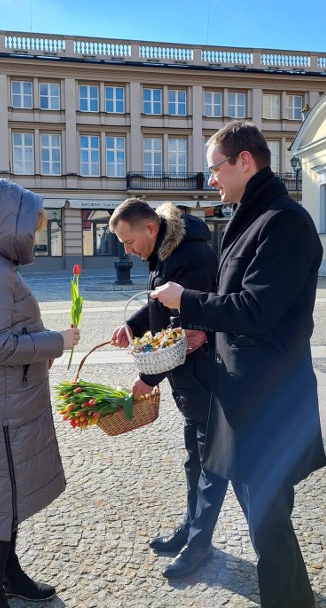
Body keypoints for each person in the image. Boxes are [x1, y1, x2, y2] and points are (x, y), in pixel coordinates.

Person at [150, 120, 326, 608]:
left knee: (269, 529)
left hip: (270, 403)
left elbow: (257, 310)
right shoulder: (252, 217)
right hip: (246, 398)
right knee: (268, 527)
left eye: (215, 169)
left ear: (243, 161)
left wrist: (186, 299)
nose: (211, 179)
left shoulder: (283, 221)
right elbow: (241, 306)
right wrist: (207, 326)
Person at [0, 177, 81, 608]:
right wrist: (56, 342)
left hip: (3, 399)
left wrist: (39, 343)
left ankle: (11, 576)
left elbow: (4, 333)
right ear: (9, 222)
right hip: (1, 406)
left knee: (6, 496)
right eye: (31, 225)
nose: (34, 235)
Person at [108, 198, 228, 579]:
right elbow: (160, 305)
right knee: (194, 459)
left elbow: (184, 333)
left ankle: (200, 544)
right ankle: (190, 530)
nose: (126, 251)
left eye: (128, 242)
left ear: (149, 227)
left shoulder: (188, 257)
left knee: (211, 463)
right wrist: (132, 325)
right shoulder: (165, 251)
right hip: (190, 382)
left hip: (205, 376)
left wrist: (147, 380)